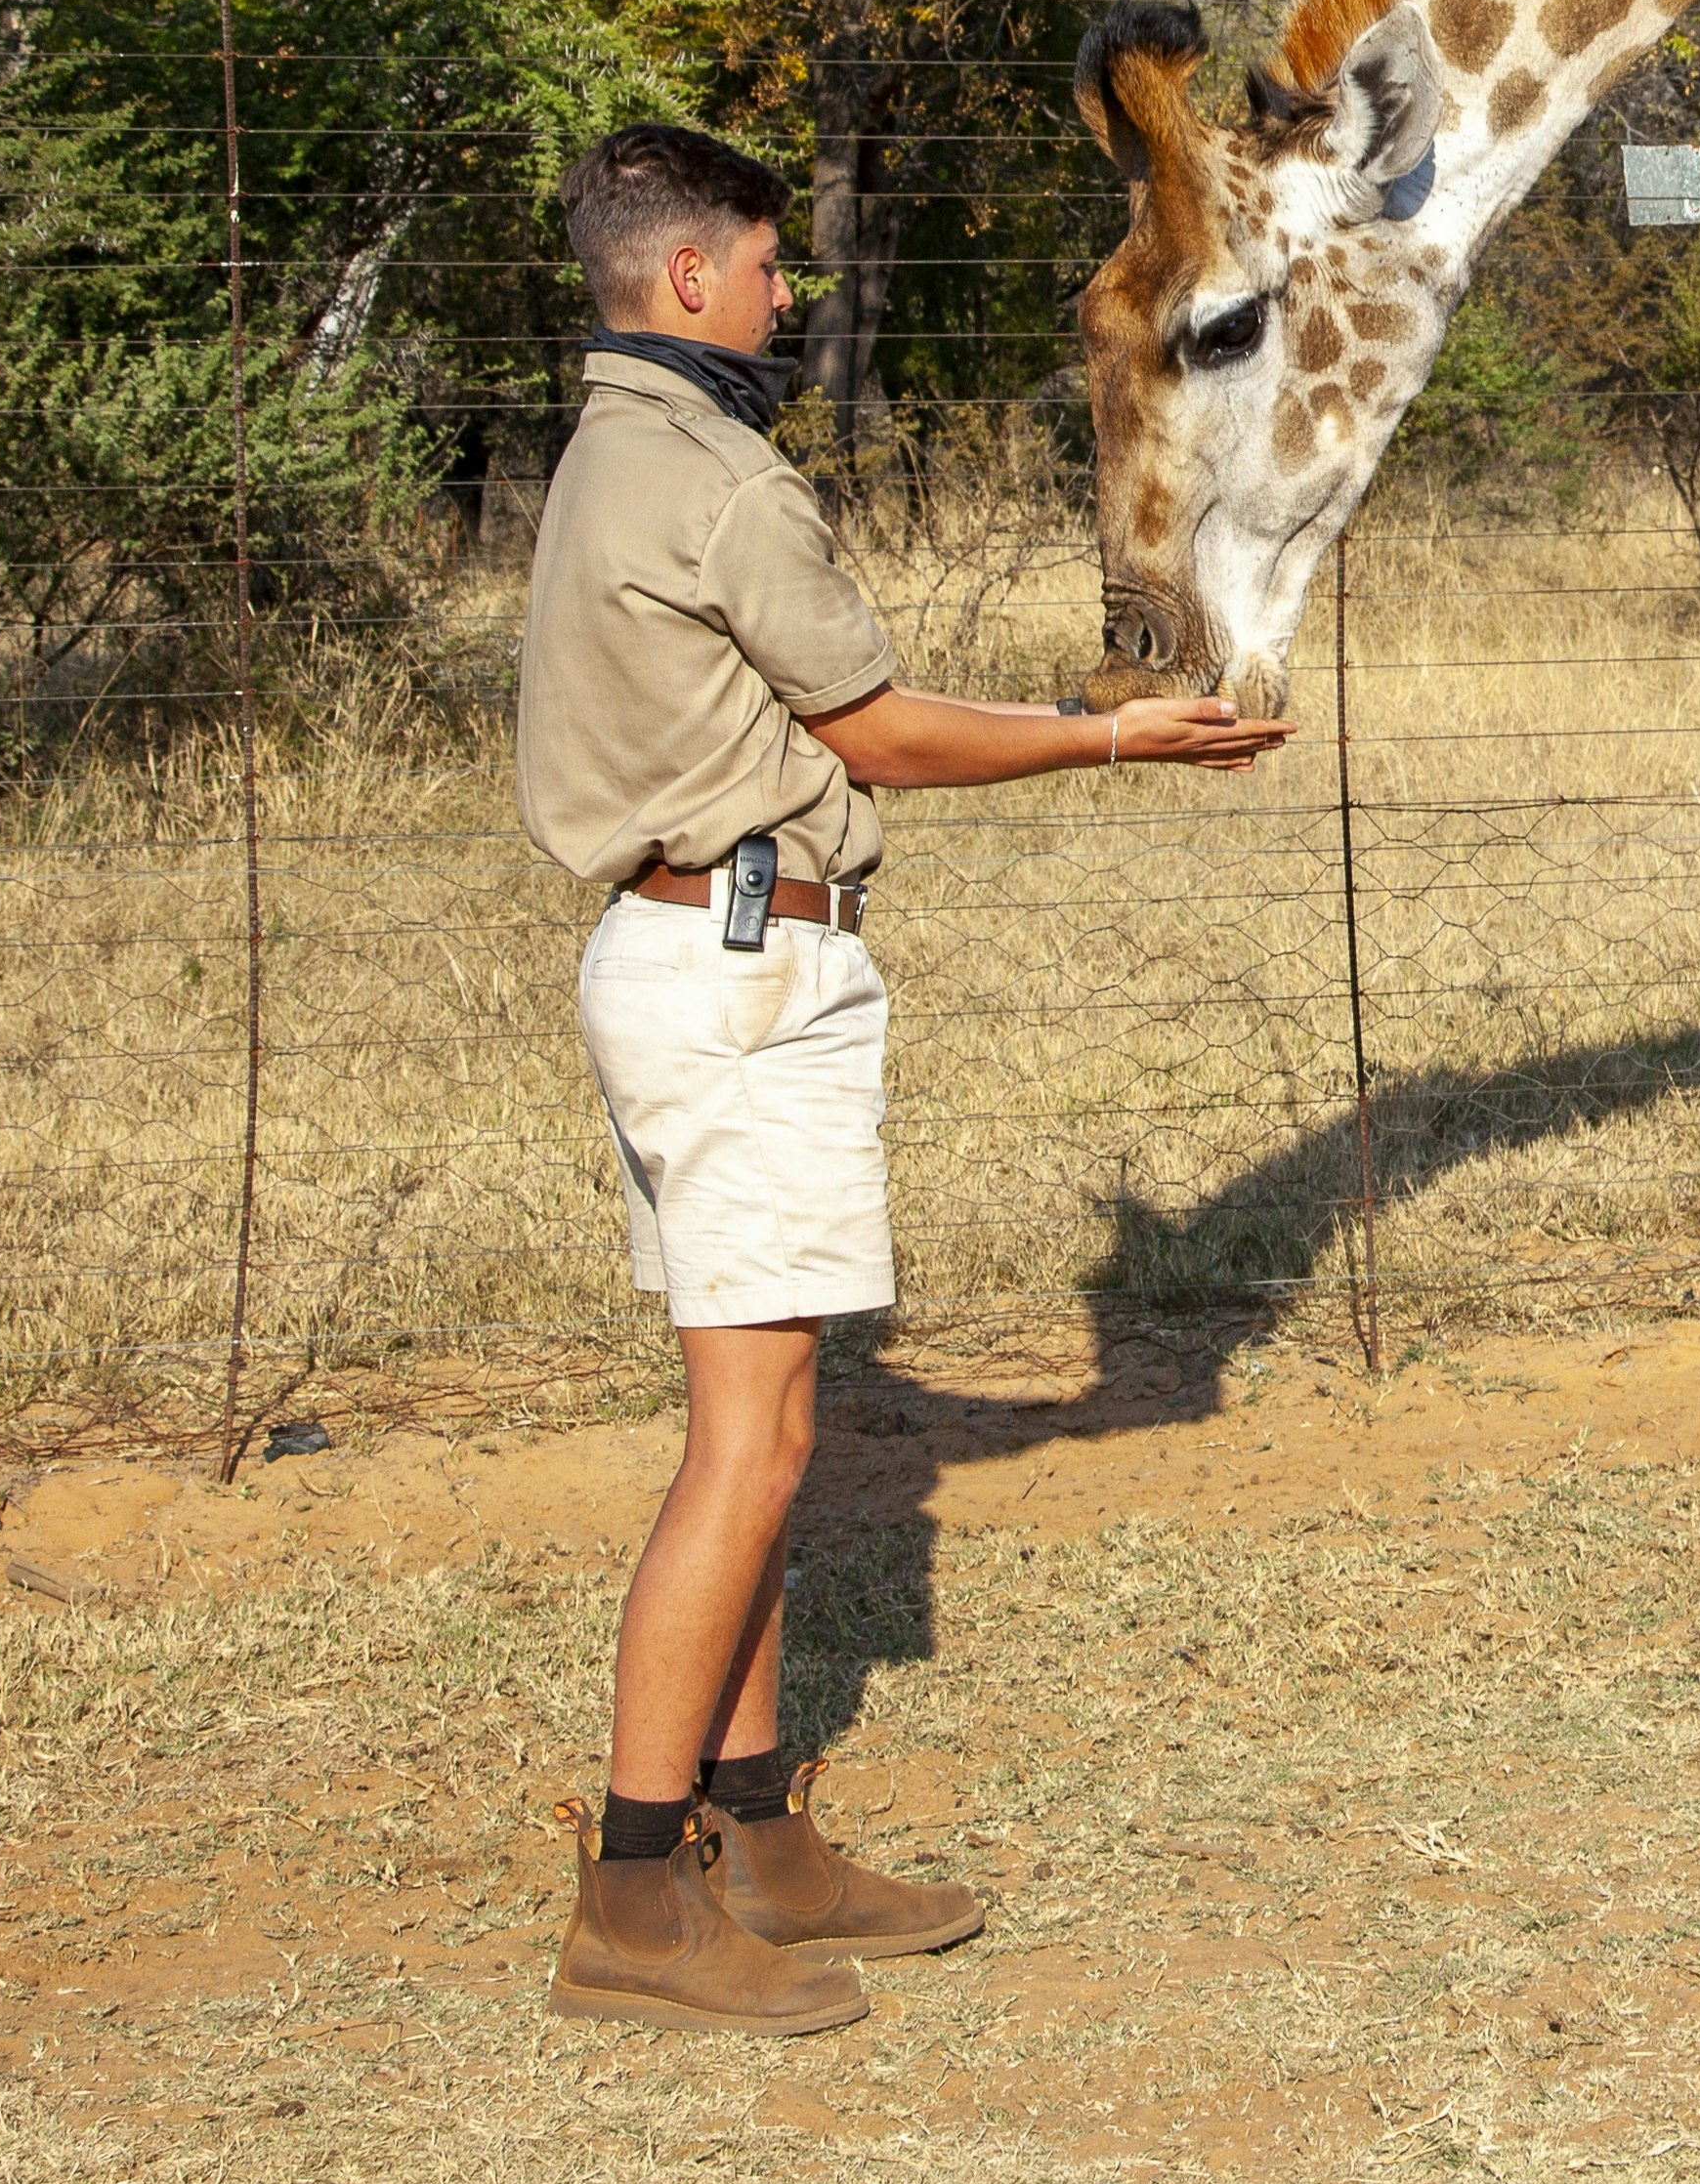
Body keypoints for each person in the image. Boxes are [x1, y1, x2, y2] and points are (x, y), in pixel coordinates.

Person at [516, 122, 1287, 2036]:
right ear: (688, 276)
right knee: (753, 1446)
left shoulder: (608, 450)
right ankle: (635, 1893)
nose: (786, 295)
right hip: (741, 973)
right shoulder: (717, 478)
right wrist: (1112, 741)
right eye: (768, 265)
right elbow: (874, 732)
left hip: (682, 954)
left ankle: (760, 1842)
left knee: (759, 1421)